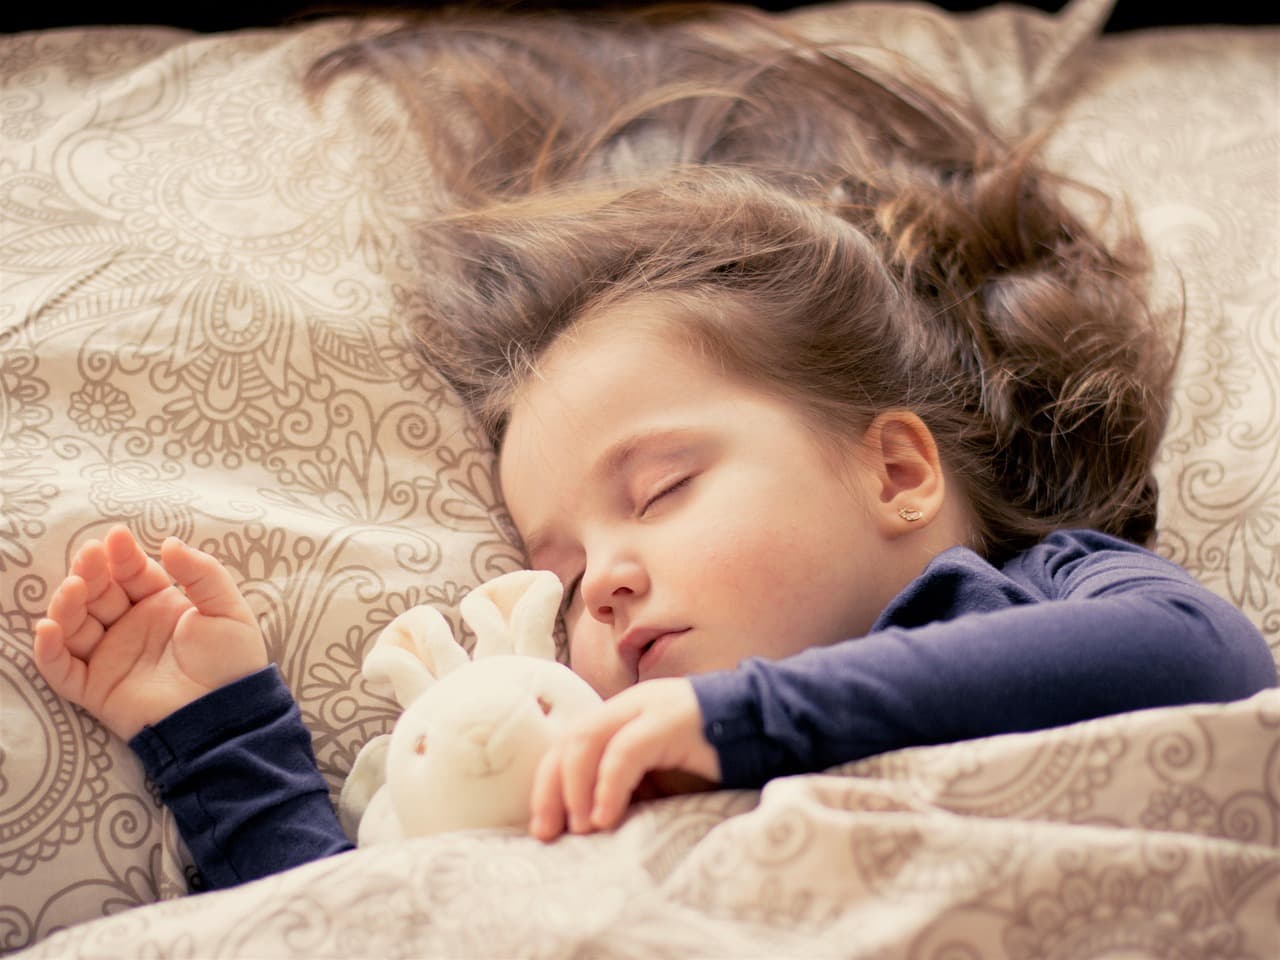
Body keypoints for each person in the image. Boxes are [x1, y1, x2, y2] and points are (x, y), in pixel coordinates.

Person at [32, 6, 1279, 892]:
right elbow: (372, 917)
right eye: (563, 575)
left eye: (665, 487)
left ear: (895, 471)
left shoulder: (1036, 596)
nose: (604, 583)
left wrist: (739, 722)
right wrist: (215, 730)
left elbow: (1200, 653)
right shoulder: (577, 754)